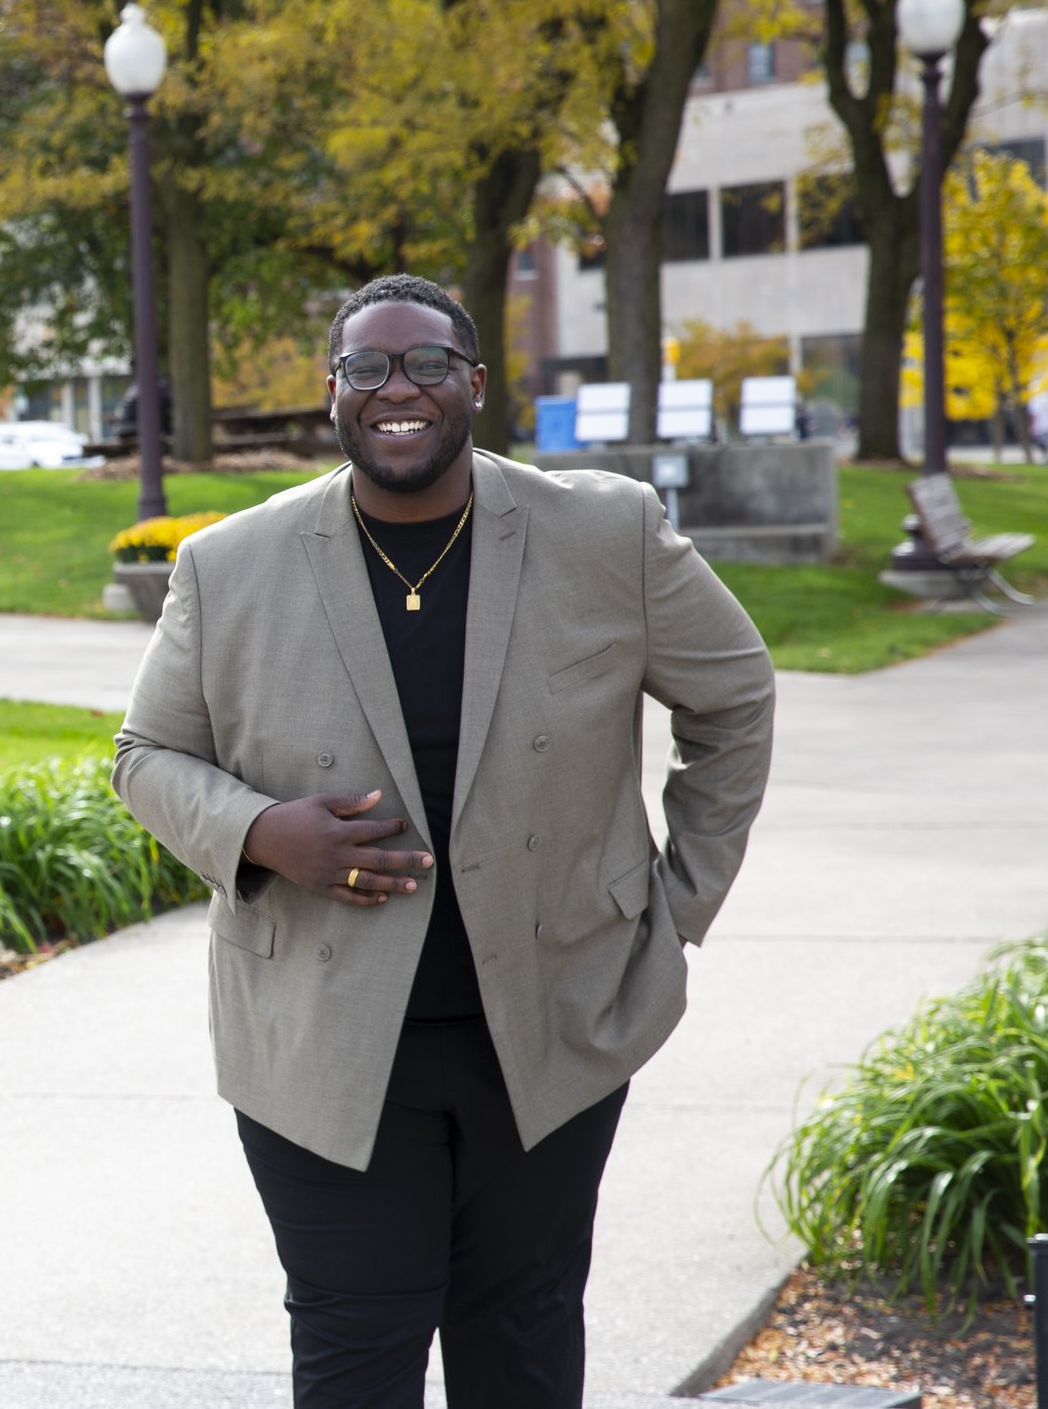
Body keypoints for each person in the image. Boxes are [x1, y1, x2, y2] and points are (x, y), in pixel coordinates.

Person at [114, 274, 775, 1408]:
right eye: (367, 367)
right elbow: (146, 757)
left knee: (519, 1343)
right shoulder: (229, 566)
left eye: (425, 362)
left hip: (555, 1025)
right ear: (334, 393)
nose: (396, 388)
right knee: (352, 1360)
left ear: (474, 383)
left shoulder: (605, 533)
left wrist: (679, 903)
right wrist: (264, 831)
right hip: (319, 1047)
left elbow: (736, 698)